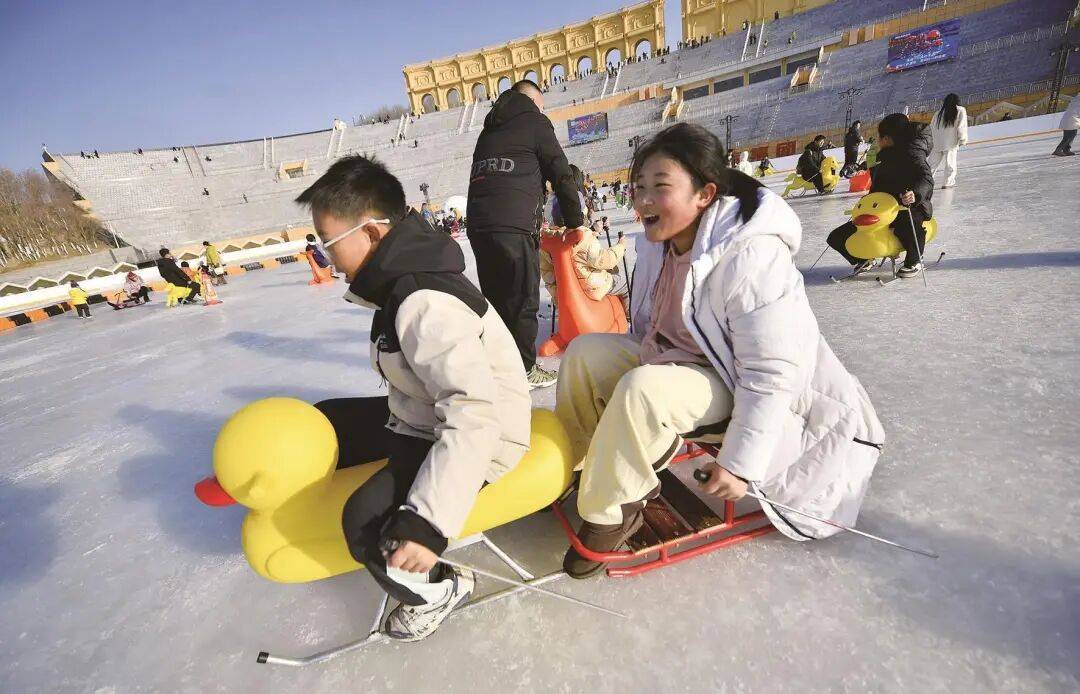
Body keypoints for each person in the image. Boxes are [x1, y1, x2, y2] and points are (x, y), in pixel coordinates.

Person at [556, 123, 883, 577]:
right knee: (584, 354)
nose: (644, 200)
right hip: (678, 363)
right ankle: (576, 467)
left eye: (660, 187)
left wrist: (739, 464)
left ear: (704, 194)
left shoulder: (750, 256)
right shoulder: (658, 243)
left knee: (643, 389)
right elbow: (652, 328)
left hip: (740, 385)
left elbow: (772, 374)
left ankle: (611, 513)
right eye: (639, 187)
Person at [294, 154, 531, 641]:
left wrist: (428, 522)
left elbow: (473, 412)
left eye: (328, 244)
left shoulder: (424, 302)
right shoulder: (400, 283)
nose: (325, 259)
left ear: (373, 233)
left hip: (483, 437)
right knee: (324, 422)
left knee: (362, 522)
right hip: (427, 415)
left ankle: (439, 590)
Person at [466, 79, 587, 390]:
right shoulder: (535, 121)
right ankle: (524, 369)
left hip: (479, 225)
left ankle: (499, 365)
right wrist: (576, 221)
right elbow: (560, 171)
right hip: (514, 223)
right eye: (542, 106)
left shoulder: (488, 129)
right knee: (522, 299)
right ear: (533, 101)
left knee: (495, 300)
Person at [826, 113, 934, 278]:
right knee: (836, 237)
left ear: (890, 138)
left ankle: (914, 260)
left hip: (908, 205)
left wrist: (915, 193)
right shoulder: (881, 156)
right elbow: (879, 186)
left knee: (907, 223)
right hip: (880, 209)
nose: (879, 140)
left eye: (881, 137)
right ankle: (863, 260)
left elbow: (926, 179)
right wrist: (867, 202)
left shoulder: (913, 152)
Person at [927, 94, 968, 188]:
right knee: (950, 164)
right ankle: (947, 183)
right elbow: (961, 126)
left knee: (931, 165)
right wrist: (962, 139)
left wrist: (931, 140)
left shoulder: (938, 113)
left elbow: (931, 127)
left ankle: (926, 183)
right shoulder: (960, 110)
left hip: (937, 142)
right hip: (950, 142)